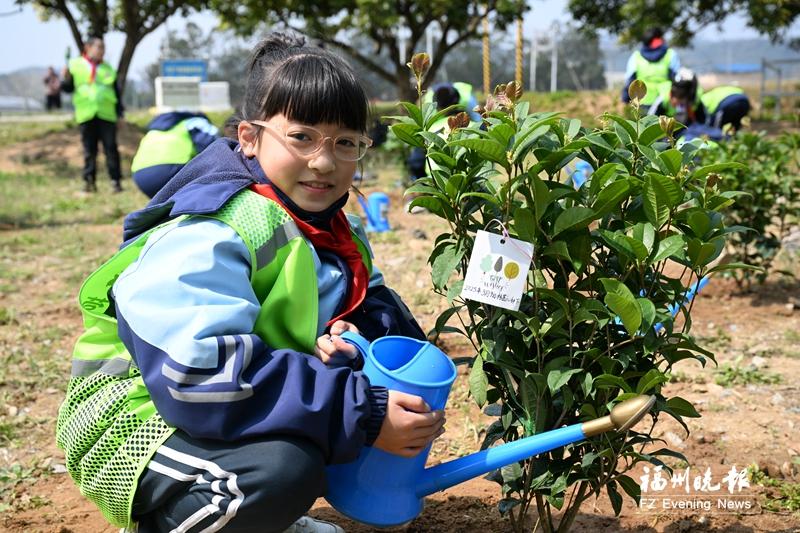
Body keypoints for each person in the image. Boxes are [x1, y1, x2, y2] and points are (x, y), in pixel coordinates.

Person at [55, 32, 445, 533]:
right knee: (284, 471)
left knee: (328, 420)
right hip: (134, 427)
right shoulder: (214, 227)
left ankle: (260, 516)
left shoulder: (332, 227)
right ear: (249, 137)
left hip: (214, 410)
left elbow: (378, 310)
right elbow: (199, 376)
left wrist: (356, 342)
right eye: (302, 137)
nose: (324, 162)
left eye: (345, 143)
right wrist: (362, 410)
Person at [61, 36, 124, 193]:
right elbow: (67, 89)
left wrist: (120, 114)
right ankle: (89, 181)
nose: (102, 51)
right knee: (89, 150)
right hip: (86, 114)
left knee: (111, 149)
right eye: (99, 47)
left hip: (106, 114)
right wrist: (65, 77)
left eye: (103, 48)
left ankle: (115, 181)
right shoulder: (75, 65)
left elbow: (116, 92)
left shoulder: (108, 68)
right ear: (88, 47)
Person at [131, 111, 220, 198]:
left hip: (139, 176)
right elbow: (214, 148)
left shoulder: (153, 131)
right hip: (170, 170)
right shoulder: (197, 121)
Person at [621, 27, 680, 106]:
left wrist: (625, 100)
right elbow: (677, 80)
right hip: (665, 102)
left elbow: (630, 82)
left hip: (641, 102)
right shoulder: (671, 55)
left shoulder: (636, 57)